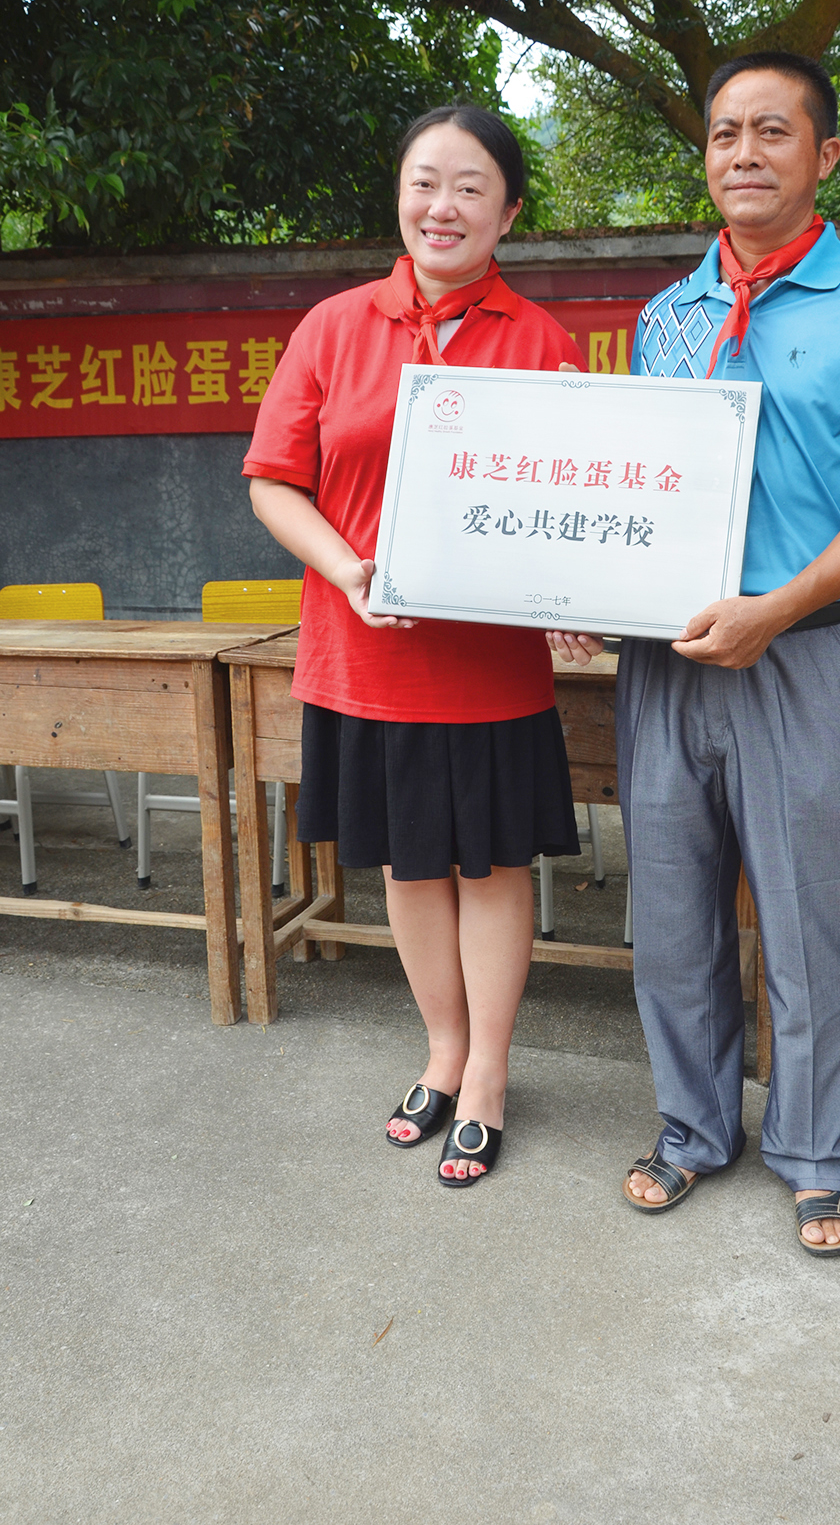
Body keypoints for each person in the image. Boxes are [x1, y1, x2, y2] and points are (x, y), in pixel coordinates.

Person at [551, 53, 840, 1254]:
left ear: (824, 155)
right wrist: (591, 594)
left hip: (805, 659)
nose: (744, 152)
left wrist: (775, 609)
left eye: (773, 131)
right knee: (673, 912)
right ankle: (691, 1129)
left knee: (809, 919)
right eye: (725, 131)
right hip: (669, 661)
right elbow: (639, 493)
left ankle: (823, 1157)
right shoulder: (667, 316)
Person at [245, 104, 585, 1189]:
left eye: (470, 187)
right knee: (409, 862)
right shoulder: (333, 327)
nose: (443, 206)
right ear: (399, 196)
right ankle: (441, 1052)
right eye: (424, 182)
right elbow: (274, 482)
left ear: (509, 212)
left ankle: (488, 1074)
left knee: (491, 865)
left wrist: (571, 589)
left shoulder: (542, 343)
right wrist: (348, 570)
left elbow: (574, 497)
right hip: (364, 657)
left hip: (489, 669)